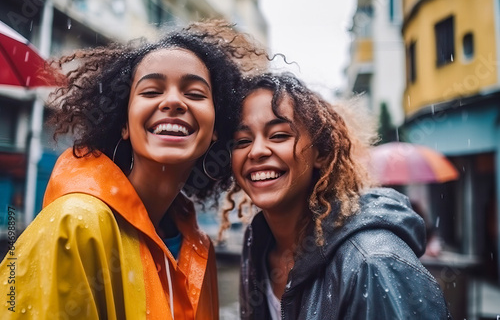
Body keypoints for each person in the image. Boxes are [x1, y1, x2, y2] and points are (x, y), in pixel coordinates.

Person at [0, 20, 260, 319]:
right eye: (151, 91)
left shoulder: (199, 246)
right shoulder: (74, 225)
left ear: (216, 128)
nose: (173, 101)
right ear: (124, 124)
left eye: (195, 94)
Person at [226, 73, 451, 319]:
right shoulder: (257, 244)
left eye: (279, 135)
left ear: (320, 153)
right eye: (242, 141)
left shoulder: (374, 263)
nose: (256, 151)